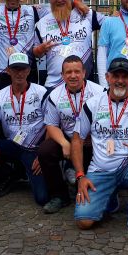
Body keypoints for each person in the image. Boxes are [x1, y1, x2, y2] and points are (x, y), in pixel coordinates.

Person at [72, 58, 128, 230]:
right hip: (100, 169)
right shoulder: (92, 104)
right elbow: (77, 139)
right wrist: (80, 176)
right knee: (84, 222)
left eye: (125, 76)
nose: (120, 80)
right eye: (115, 76)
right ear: (107, 77)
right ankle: (110, 195)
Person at [37, 55, 106, 213]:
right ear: (62, 75)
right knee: (45, 150)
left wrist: (94, 137)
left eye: (77, 71)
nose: (73, 76)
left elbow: (107, 121)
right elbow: (51, 125)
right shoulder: (55, 95)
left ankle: (103, 189)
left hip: (93, 140)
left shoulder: (100, 92)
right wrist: (64, 143)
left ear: (84, 73)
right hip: (68, 139)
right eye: (68, 72)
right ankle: (59, 196)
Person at [0, 52, 49, 205]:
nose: (19, 73)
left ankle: (24, 171)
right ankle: (8, 174)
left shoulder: (41, 92)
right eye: (15, 69)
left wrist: (44, 154)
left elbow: (52, 126)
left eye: (23, 69)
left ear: (29, 70)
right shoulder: (1, 95)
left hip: (34, 150)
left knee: (42, 198)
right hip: (13, 145)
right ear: (8, 71)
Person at [32, 0, 104, 88]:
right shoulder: (42, 23)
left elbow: (109, 24)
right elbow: (35, 52)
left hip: (84, 85)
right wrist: (40, 49)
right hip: (54, 86)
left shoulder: (85, 13)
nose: (59, 0)